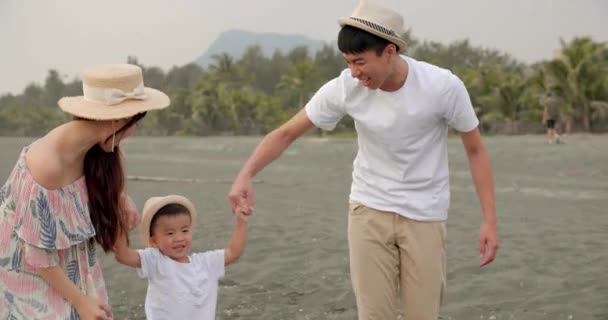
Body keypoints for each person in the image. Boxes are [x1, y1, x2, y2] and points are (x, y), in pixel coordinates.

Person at [228, 1, 499, 319]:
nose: (354, 73)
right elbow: (287, 133)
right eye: (348, 62)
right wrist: (245, 174)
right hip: (368, 209)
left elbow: (476, 150)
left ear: (389, 51)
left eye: (360, 62)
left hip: (425, 213)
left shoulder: (442, 87)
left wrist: (490, 221)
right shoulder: (346, 88)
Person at [0, 63, 170, 320]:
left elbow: (94, 179)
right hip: (31, 276)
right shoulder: (48, 166)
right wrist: (81, 301)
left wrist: (121, 198)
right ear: (119, 119)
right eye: (137, 120)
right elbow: (36, 256)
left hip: (72, 268)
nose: (134, 131)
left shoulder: (93, 146)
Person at [113, 195, 249, 320]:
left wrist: (241, 222)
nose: (179, 238)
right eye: (170, 233)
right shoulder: (156, 261)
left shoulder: (205, 263)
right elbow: (123, 255)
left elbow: (233, 253)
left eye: (185, 230)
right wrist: (121, 225)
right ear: (154, 240)